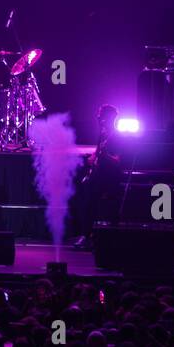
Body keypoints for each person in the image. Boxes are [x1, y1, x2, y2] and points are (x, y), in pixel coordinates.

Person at [73, 105, 124, 247]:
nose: (98, 117)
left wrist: (105, 156)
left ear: (109, 118)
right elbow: (97, 153)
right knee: (84, 197)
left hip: (110, 178)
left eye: (101, 115)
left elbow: (117, 160)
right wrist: (92, 158)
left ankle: (88, 235)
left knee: (90, 200)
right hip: (99, 175)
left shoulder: (117, 137)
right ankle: (86, 233)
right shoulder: (103, 134)